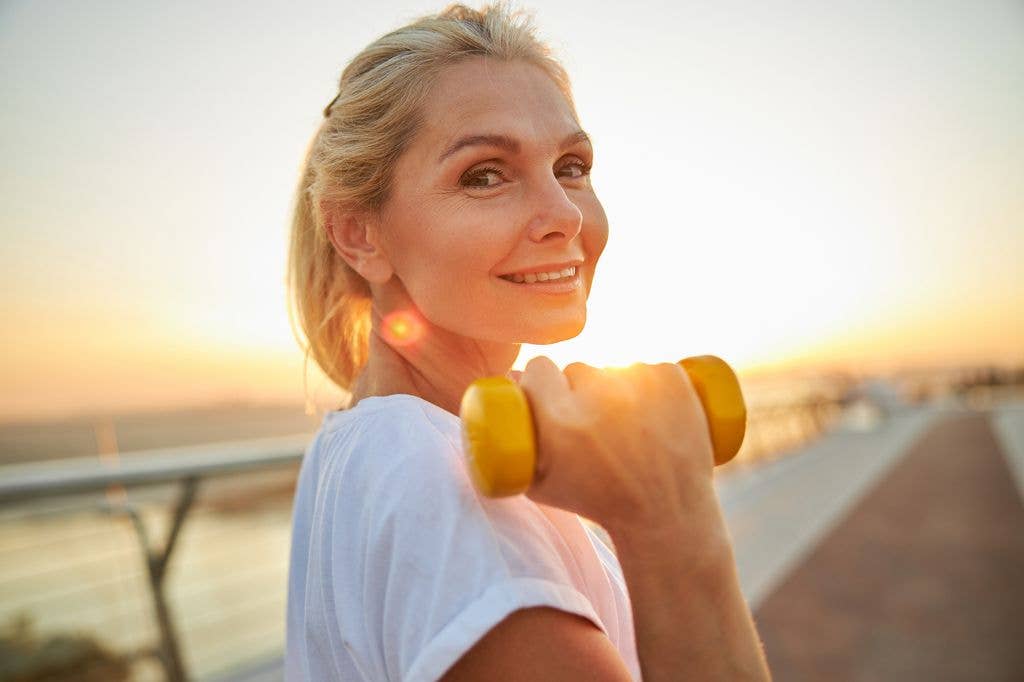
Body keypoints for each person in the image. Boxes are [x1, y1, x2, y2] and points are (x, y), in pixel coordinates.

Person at [284, 4, 771, 680]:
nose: (566, 215)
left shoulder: (359, 447)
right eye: (485, 174)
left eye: (571, 165)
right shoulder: (442, 491)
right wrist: (669, 522)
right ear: (360, 235)